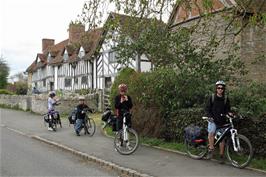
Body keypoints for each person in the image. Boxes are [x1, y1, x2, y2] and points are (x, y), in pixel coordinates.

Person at [205, 80, 232, 162]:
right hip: (213, 120)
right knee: (212, 132)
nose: (220, 89)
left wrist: (229, 113)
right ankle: (211, 150)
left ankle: (221, 155)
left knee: (222, 138)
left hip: (222, 121)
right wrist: (210, 116)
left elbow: (228, 109)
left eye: (222, 88)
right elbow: (207, 108)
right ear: (216, 89)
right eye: (218, 88)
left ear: (224, 89)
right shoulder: (212, 97)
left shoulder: (226, 99)